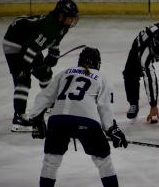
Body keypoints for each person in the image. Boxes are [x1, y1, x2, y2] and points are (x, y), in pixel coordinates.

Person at [29, 46, 128, 187]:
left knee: (51, 161)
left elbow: (44, 96)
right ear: (97, 63)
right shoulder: (100, 77)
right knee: (103, 160)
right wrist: (112, 129)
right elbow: (104, 107)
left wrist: (36, 118)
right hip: (86, 121)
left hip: (58, 120)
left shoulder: (64, 73)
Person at [3, 0, 79, 132]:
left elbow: (54, 39)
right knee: (23, 79)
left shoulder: (61, 25)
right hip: (14, 42)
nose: (72, 20)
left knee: (45, 73)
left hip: (29, 42)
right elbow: (30, 49)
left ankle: (48, 103)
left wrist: (54, 53)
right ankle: (19, 116)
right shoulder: (49, 27)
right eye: (70, 17)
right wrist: (25, 69)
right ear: (61, 16)